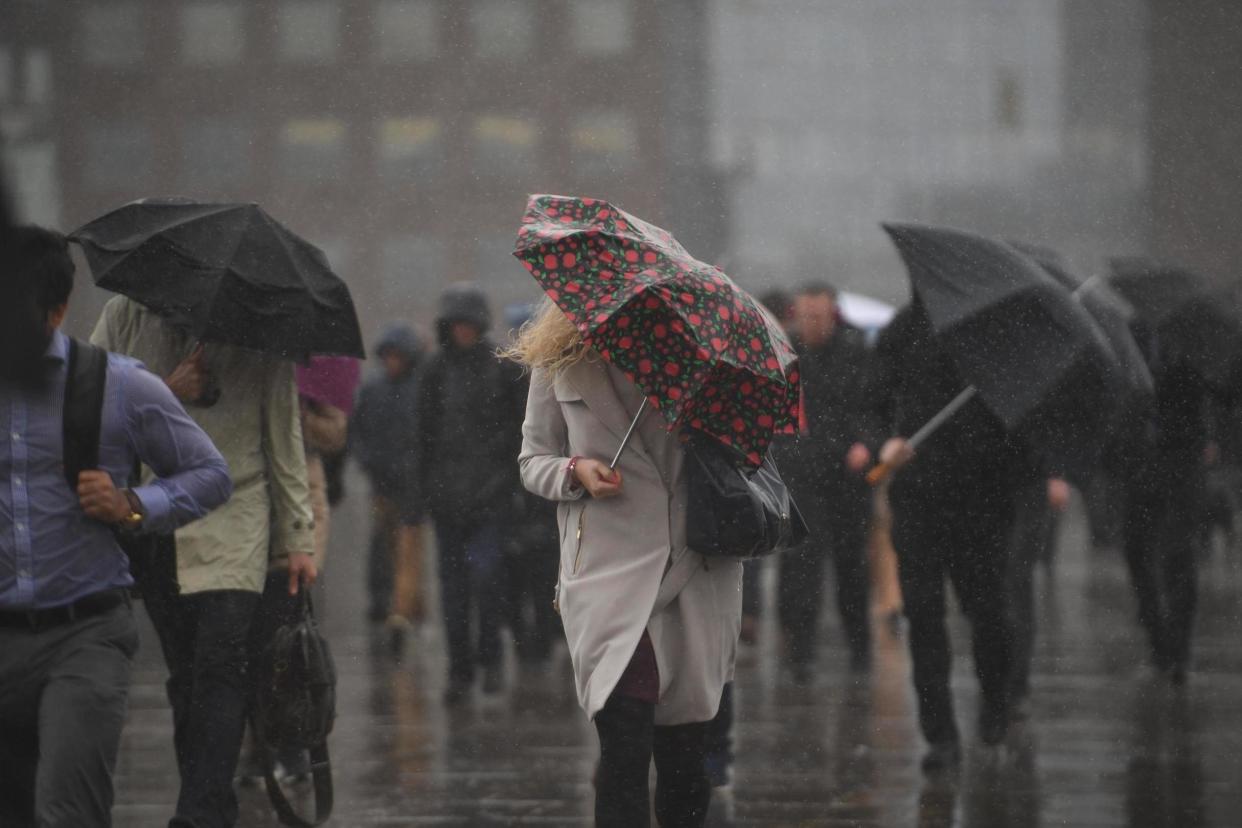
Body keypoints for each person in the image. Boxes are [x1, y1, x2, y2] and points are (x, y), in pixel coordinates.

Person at [0, 226, 232, 828]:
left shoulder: (116, 385)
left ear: (55, 311)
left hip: (84, 631)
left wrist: (133, 502)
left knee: (68, 810)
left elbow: (210, 473)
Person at [91, 295, 317, 828]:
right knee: (186, 674)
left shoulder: (261, 325)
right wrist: (167, 392)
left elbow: (282, 435)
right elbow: (88, 406)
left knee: (222, 664)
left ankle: (196, 814)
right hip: (153, 514)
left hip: (236, 514)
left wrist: (297, 537)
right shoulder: (125, 316)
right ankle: (210, 802)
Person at [513, 301, 742, 827]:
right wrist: (576, 470)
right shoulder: (558, 358)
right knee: (624, 742)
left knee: (685, 753)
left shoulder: (700, 353)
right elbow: (532, 461)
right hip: (607, 573)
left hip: (693, 568)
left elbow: (742, 453)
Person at [870, 301, 1034, 771]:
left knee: (989, 615)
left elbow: (1024, 424)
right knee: (924, 618)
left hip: (984, 503)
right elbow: (872, 401)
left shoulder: (1004, 334)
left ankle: (995, 705)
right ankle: (939, 734)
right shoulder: (904, 329)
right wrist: (886, 441)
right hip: (919, 499)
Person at [417, 285, 526, 701]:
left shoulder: (503, 368)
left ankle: (491, 659)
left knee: (487, 582)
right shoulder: (433, 371)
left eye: (469, 323)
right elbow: (422, 436)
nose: (463, 330)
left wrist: (508, 485)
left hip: (491, 499)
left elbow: (520, 434)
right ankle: (459, 671)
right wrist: (423, 494)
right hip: (446, 501)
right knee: (453, 593)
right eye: (456, 324)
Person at [778, 282, 876, 680]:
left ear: (832, 315)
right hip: (802, 475)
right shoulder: (785, 354)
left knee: (852, 570)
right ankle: (800, 655)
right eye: (805, 316)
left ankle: (860, 651)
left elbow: (873, 406)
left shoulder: (856, 353)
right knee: (800, 568)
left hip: (848, 476)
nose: (811, 324)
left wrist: (866, 443)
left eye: (818, 316)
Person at [350, 324, 425, 651]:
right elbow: (357, 432)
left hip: (413, 485)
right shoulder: (373, 390)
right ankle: (384, 603)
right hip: (382, 483)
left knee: (408, 547)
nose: (393, 362)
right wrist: (369, 462)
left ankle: (403, 609)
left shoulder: (419, 390)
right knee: (382, 543)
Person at [1006, 475, 1069, 716]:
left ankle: (1016, 685)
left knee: (1017, 581)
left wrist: (1056, 473)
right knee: (990, 589)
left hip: (1027, 483)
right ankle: (997, 678)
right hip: (984, 486)